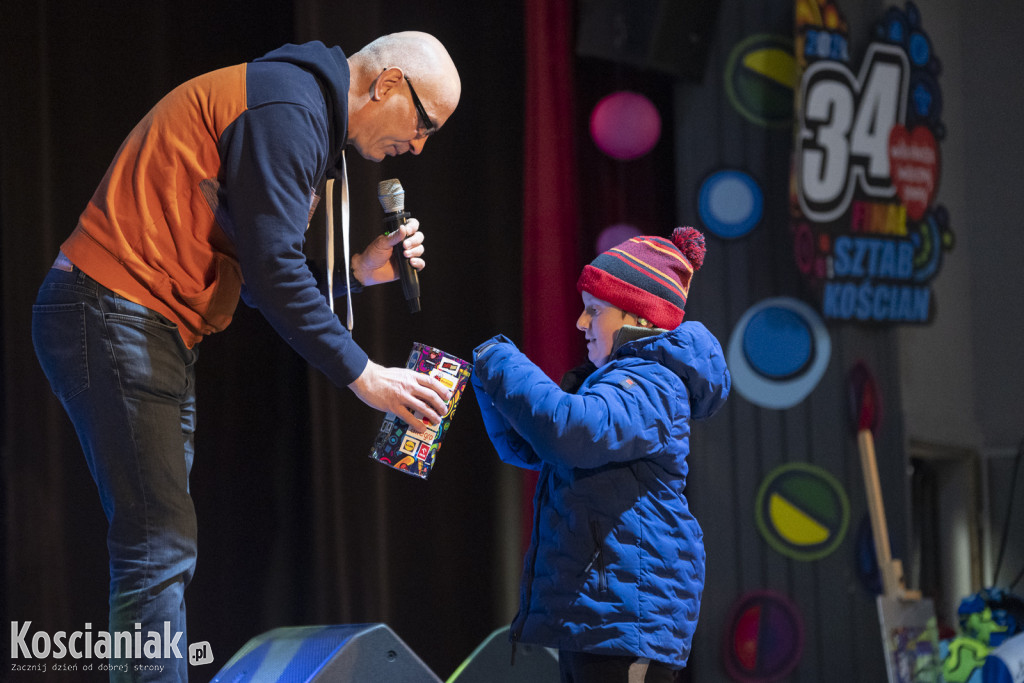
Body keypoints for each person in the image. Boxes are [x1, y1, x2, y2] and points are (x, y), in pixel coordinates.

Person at [31, 32, 460, 681]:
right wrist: (365, 374)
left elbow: (263, 261)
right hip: (114, 305)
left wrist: (355, 271)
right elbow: (271, 273)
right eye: (424, 123)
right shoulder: (289, 108)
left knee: (163, 546)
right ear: (389, 85)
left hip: (148, 322)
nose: (420, 145)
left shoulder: (298, 107)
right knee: (158, 546)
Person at [471, 227, 731, 682]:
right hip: (602, 616)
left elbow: (571, 432)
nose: (580, 323)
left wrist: (500, 363)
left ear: (638, 318)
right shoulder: (623, 383)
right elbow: (533, 447)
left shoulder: (653, 381)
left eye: (594, 311)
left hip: (628, 616)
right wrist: (486, 386)